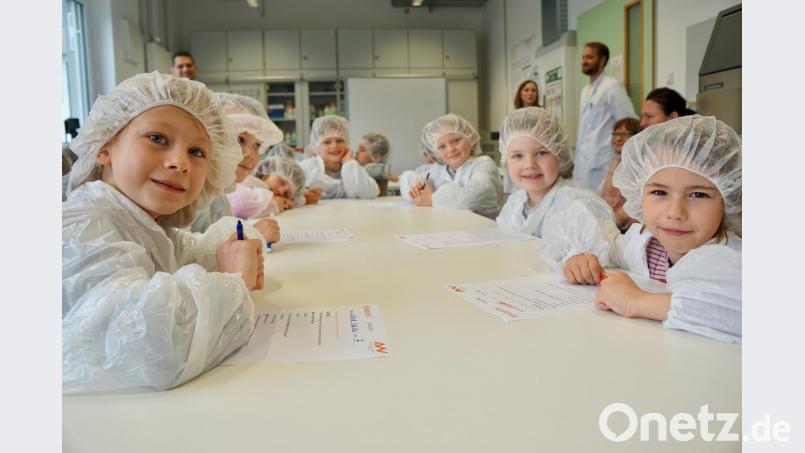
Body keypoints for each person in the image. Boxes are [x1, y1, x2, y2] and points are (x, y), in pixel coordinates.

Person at [63, 72, 271, 393]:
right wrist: (236, 280)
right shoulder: (79, 227)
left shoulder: (146, 227)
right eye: (158, 138)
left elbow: (198, 252)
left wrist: (238, 247)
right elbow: (149, 349)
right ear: (104, 147)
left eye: (197, 152)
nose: (180, 162)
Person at [563, 115, 742, 343]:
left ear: (729, 199)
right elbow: (609, 244)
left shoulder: (732, 259)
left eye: (698, 194)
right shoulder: (646, 244)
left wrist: (637, 301)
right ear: (639, 194)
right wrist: (583, 258)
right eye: (659, 192)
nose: (675, 212)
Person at [495, 107, 617, 266]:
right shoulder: (516, 202)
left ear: (559, 154)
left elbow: (597, 260)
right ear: (505, 160)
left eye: (541, 153)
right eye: (518, 156)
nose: (529, 164)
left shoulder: (575, 204)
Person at [399, 114, 502, 219]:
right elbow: (411, 179)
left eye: (456, 141)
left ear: (470, 138)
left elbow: (473, 196)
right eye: (442, 146)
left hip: (484, 226)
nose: (451, 149)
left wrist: (431, 198)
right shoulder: (439, 170)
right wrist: (417, 192)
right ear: (435, 153)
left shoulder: (483, 164)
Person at [215, 92, 290, 219]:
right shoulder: (198, 197)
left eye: (257, 145)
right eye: (240, 139)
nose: (251, 154)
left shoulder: (219, 196)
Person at [573, 42, 636, 191]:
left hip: (603, 162)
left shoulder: (612, 87)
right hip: (584, 162)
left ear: (602, 60)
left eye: (589, 57)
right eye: (583, 57)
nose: (584, 61)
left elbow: (629, 122)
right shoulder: (585, 91)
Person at [300, 116, 380, 199]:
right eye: (327, 142)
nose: (334, 146)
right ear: (316, 146)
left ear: (347, 143)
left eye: (339, 140)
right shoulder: (307, 168)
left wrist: (349, 162)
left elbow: (370, 193)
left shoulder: (353, 166)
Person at [599, 118, 642, 232]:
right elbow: (602, 194)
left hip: (628, 227)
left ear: (638, 137)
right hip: (610, 222)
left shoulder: (639, 166)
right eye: (616, 134)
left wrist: (613, 221)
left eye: (625, 134)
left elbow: (638, 203)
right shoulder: (614, 162)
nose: (618, 139)